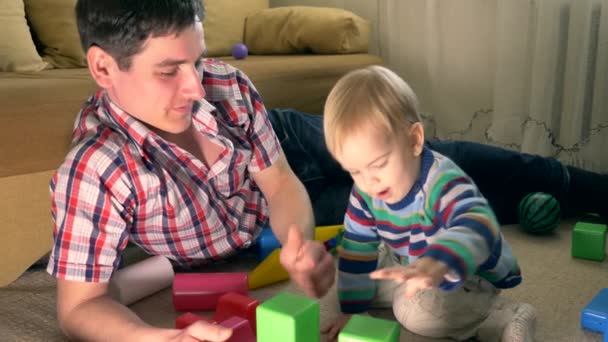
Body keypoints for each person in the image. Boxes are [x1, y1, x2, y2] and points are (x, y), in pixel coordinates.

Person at [48, 1, 334, 341]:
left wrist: (296, 243)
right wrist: (165, 338)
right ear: (104, 67)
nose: (197, 89)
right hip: (258, 225)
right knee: (382, 210)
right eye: (169, 71)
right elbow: (79, 307)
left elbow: (280, 182)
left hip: (285, 141)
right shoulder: (96, 169)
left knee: (407, 159)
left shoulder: (228, 85)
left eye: (196, 61)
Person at [319, 65, 536, 341]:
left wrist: (439, 262)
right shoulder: (365, 192)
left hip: (466, 269)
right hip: (412, 258)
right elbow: (357, 246)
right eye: (354, 171)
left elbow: (479, 225)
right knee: (358, 278)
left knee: (415, 312)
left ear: (414, 140)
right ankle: (408, 285)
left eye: (379, 164)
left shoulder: (442, 183)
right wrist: (353, 310)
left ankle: (502, 315)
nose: (368, 182)